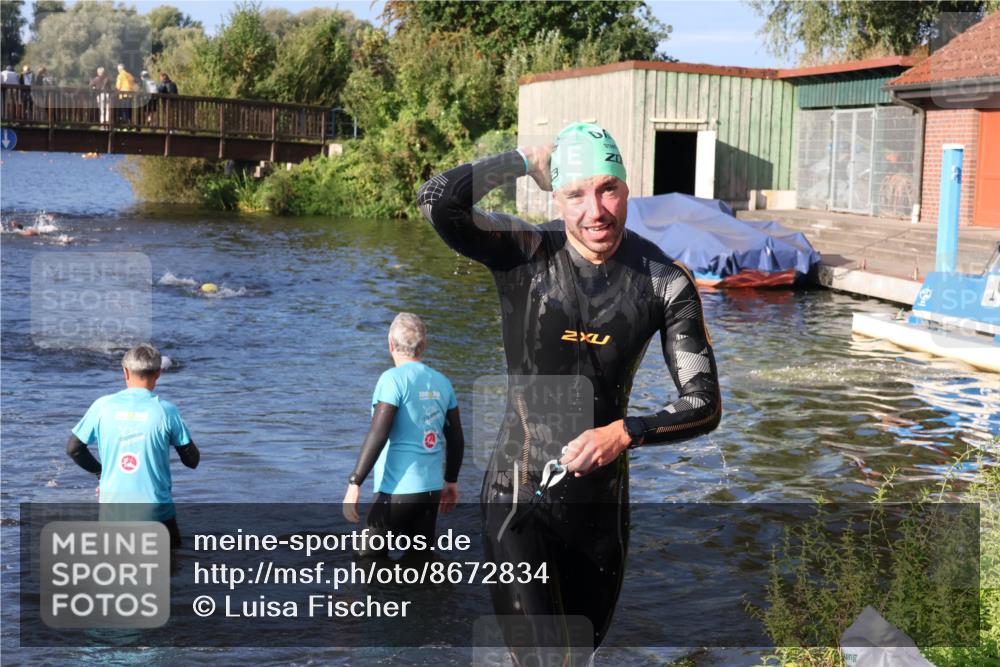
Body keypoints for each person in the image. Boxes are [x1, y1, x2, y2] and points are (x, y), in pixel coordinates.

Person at [417, 122, 722, 663]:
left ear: (628, 190)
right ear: (557, 198)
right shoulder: (525, 254)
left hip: (600, 511)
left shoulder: (664, 282)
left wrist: (627, 432)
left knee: (578, 655)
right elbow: (438, 200)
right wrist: (519, 159)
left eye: (608, 188)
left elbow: (704, 404)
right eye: (576, 194)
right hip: (518, 493)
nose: (594, 210)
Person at [342, 312, 464, 559]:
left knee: (367, 562)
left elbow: (379, 432)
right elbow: (456, 438)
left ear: (390, 345)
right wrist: (450, 481)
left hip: (395, 491)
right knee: (419, 565)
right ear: (424, 345)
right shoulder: (442, 382)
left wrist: (355, 483)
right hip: (430, 492)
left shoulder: (391, 380)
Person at [66, 343, 200, 548]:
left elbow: (74, 449)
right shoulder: (166, 411)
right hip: (157, 513)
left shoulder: (102, 406)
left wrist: (100, 473)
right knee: (170, 570)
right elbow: (192, 461)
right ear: (158, 373)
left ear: (125, 372)